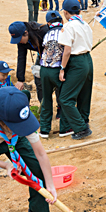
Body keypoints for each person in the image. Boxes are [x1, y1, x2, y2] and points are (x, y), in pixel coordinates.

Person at [56, 0, 94, 140]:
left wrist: (62, 68)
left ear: (66, 12)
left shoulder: (69, 26)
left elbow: (67, 50)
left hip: (76, 61)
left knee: (65, 98)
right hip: (88, 60)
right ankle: (84, 120)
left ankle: (80, 128)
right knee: (85, 94)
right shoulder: (85, 25)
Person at [38, 10, 68, 138]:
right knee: (64, 98)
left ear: (48, 23)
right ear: (61, 21)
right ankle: (64, 128)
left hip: (44, 69)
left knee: (46, 99)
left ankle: (44, 129)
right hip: (57, 69)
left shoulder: (46, 34)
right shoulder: (65, 31)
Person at [9, 21, 50, 102]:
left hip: (54, 56)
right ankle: (43, 105)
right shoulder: (21, 40)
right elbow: (21, 57)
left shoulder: (43, 32)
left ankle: (60, 108)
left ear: (26, 33)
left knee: (54, 80)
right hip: (41, 55)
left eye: (19, 39)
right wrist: (20, 79)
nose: (19, 42)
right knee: (38, 81)